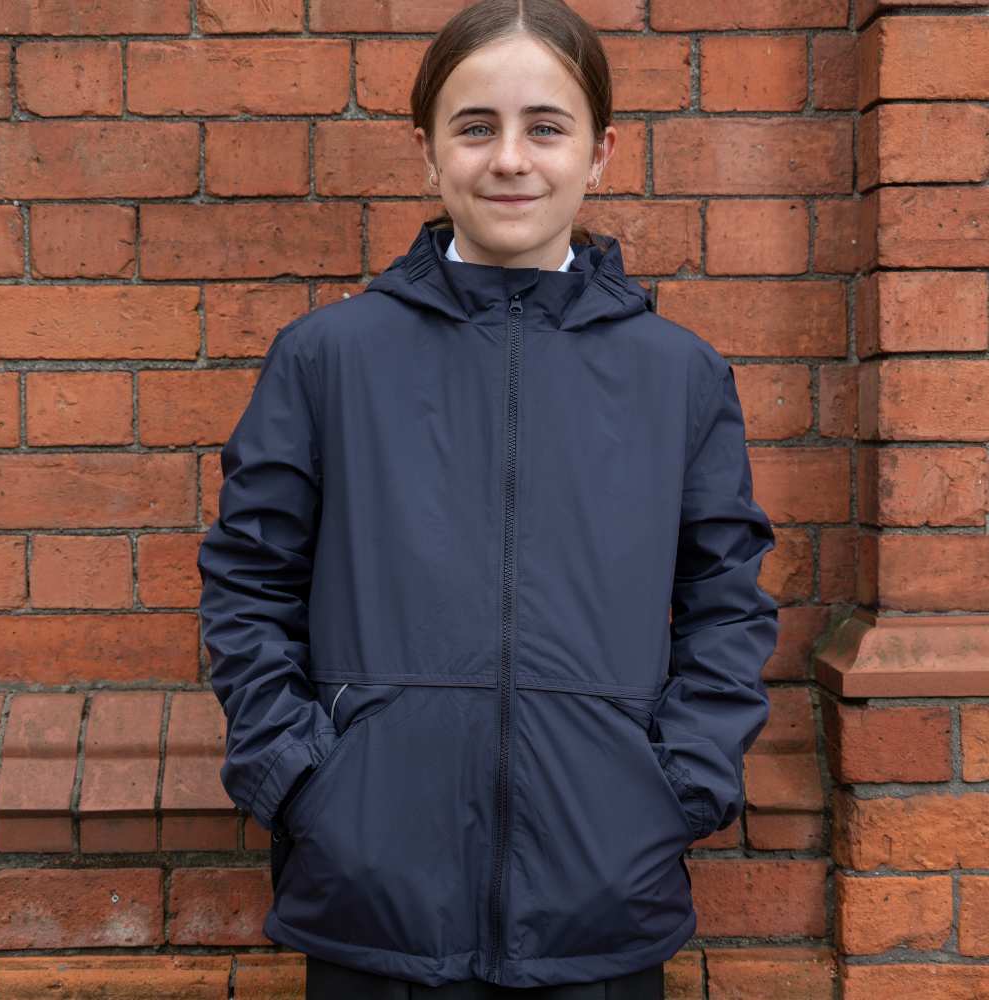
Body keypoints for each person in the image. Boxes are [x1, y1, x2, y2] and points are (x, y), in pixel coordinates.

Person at [196, 0, 780, 997]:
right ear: (427, 150)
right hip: (371, 897)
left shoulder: (676, 375)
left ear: (599, 153)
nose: (510, 158)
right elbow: (247, 584)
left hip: (601, 899)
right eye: (476, 127)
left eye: (545, 126)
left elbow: (727, 601)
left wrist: (676, 786)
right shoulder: (329, 360)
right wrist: (301, 780)